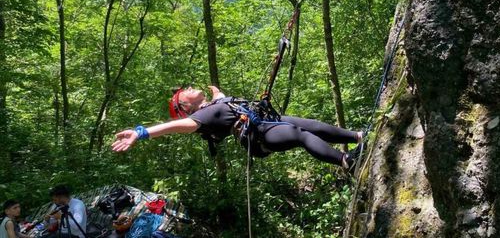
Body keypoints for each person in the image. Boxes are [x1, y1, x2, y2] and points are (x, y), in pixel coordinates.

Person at [111, 86, 365, 170]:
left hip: (263, 121)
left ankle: (358, 136)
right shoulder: (199, 118)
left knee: (310, 124)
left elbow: (222, 98)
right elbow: (172, 127)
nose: (188, 88)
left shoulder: (214, 103)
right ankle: (347, 162)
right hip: (258, 135)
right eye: (183, 93)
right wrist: (140, 133)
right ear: (185, 107)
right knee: (300, 134)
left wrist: (216, 92)